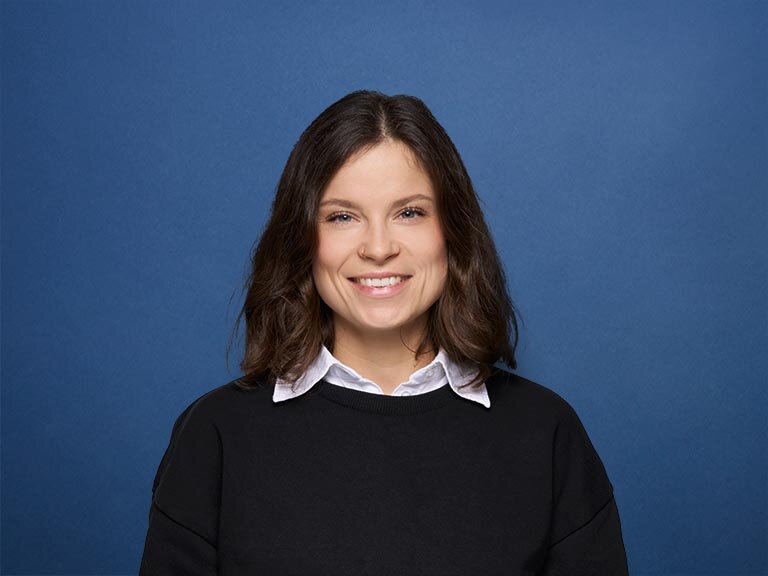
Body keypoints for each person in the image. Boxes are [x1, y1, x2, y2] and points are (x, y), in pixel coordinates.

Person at [138, 90, 629, 575]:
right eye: (342, 216)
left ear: (452, 232)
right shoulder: (216, 436)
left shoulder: (546, 433)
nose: (378, 248)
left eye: (409, 212)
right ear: (302, 239)